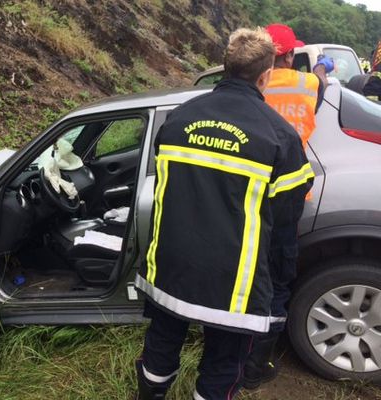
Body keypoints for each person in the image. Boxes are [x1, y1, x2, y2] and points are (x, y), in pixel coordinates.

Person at [134, 28, 314, 400]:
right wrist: (279, 283)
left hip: (170, 267)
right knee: (224, 363)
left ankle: (148, 394)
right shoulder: (280, 136)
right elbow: (284, 227)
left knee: (161, 345)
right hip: (234, 282)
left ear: (225, 68)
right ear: (266, 76)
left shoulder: (177, 119)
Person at [241, 24, 333, 390]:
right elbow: (321, 87)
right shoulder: (310, 85)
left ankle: (236, 345)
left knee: (246, 273)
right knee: (278, 277)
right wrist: (321, 68)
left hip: (245, 188)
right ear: (291, 56)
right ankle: (258, 361)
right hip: (291, 192)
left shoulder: (249, 85)